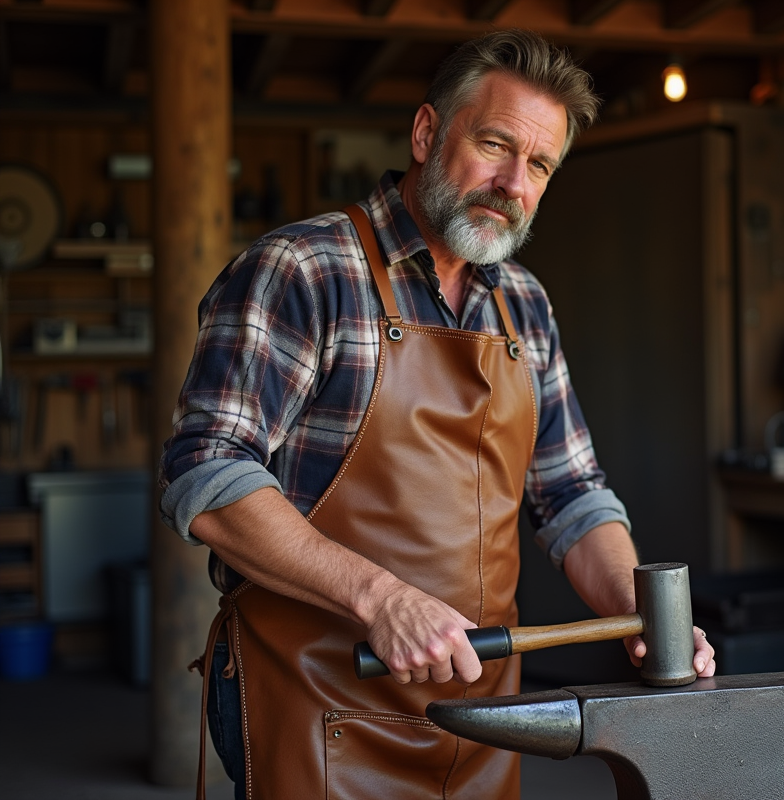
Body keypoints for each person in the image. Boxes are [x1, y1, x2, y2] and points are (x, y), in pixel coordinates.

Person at [159, 29, 716, 800]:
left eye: (540, 165)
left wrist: (634, 607)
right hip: (318, 695)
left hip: (482, 709)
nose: (512, 183)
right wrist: (380, 599)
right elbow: (207, 474)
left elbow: (572, 495)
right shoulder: (305, 269)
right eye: (495, 145)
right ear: (427, 133)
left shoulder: (524, 304)